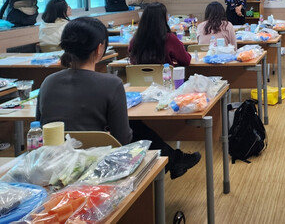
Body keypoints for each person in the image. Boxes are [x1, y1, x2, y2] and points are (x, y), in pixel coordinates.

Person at [36, 17, 200, 179]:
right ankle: (172, 160)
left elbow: (39, 124)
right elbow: (123, 139)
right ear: (100, 48)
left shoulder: (48, 82)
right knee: (135, 126)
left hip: (53, 165)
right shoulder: (111, 84)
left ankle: (174, 159)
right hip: (99, 165)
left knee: (135, 124)